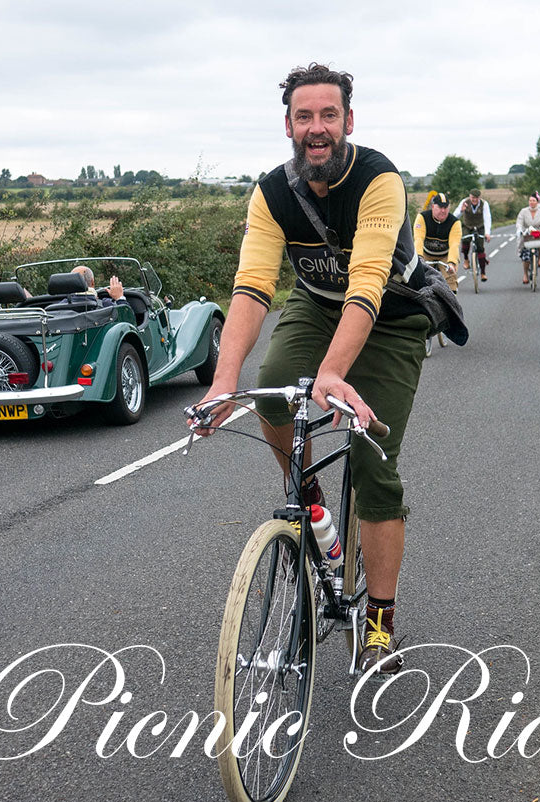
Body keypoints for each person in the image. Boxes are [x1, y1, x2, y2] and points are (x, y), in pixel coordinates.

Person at [189, 63, 432, 676]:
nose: (316, 128)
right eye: (305, 116)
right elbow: (251, 287)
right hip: (316, 307)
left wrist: (331, 374)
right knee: (270, 396)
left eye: (329, 115)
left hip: (390, 317)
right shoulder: (273, 193)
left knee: (373, 457)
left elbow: (369, 283)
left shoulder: (378, 180)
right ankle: (312, 499)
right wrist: (223, 383)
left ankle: (379, 621)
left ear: (349, 121)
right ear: (288, 125)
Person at [413, 192, 461, 292]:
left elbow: (454, 245)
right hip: (426, 254)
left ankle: (451, 303)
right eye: (440, 207)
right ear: (433, 206)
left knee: (451, 278)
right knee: (418, 278)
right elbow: (418, 239)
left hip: (445, 256)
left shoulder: (455, 222)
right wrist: (419, 258)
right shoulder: (422, 217)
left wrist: (451, 263)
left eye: (446, 207)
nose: (443, 211)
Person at [453, 188, 493, 282]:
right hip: (467, 226)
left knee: (480, 248)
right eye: (472, 197)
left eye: (476, 198)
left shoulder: (484, 204)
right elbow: (455, 216)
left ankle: (483, 273)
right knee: (465, 240)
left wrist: (487, 233)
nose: (474, 200)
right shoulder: (464, 202)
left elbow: (487, 218)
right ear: (470, 196)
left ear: (479, 197)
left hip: (479, 227)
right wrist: (461, 210)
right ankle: (466, 259)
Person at [515, 193, 540, 284]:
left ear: (537, 202)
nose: (531, 202)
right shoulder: (523, 211)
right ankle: (525, 274)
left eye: (533, 200)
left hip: (538, 233)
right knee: (526, 256)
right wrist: (519, 230)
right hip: (527, 234)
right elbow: (519, 222)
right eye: (530, 200)